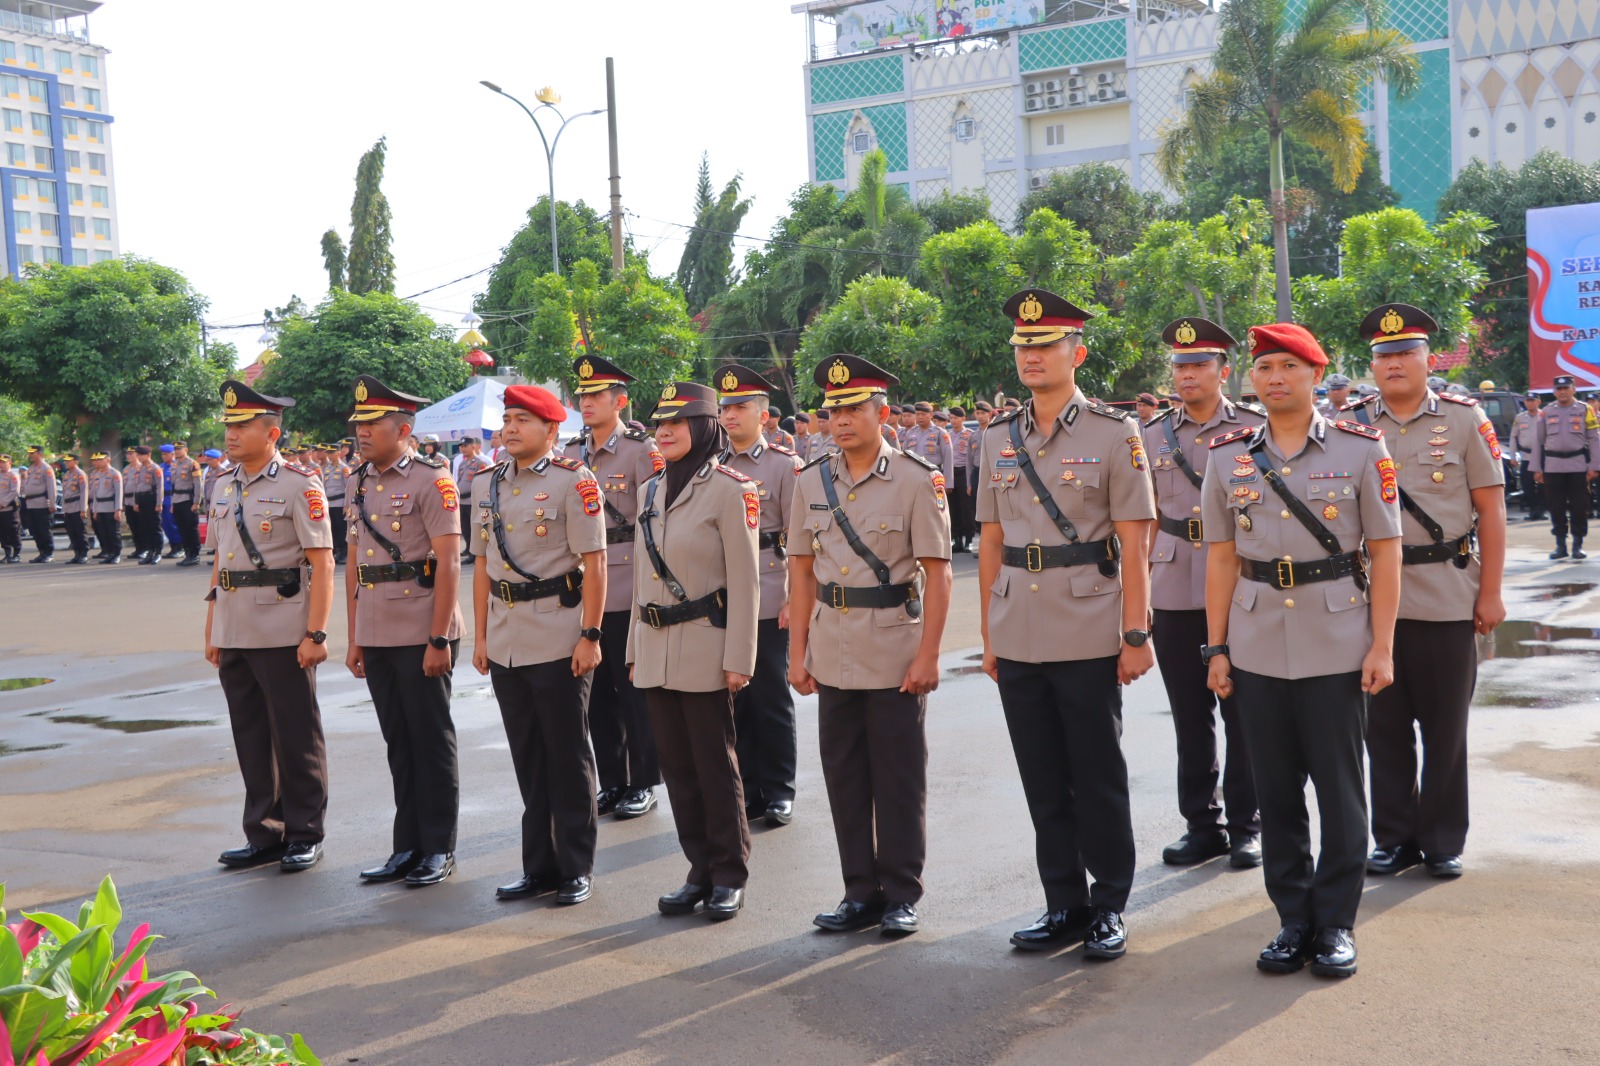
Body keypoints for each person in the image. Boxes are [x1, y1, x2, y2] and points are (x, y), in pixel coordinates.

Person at [1202, 321, 1402, 979]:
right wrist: (1218, 647)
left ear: (1317, 375)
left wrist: (1382, 645)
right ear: (1250, 380)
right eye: (1264, 369)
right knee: (1276, 793)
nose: (1276, 378)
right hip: (1257, 645)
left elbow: (1385, 550)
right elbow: (1222, 557)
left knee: (1341, 792)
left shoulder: (1360, 449)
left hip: (1338, 642)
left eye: (1289, 366)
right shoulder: (1226, 456)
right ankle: (1293, 918)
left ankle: (1337, 922)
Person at [975, 290, 1156, 960]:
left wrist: (1135, 633)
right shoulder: (997, 435)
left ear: (1076, 352)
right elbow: (990, 540)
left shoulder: (1114, 434)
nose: (1030, 355)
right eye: (1023, 345)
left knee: (1095, 771)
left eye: (1045, 345)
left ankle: (1108, 903)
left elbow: (1135, 541)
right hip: (1017, 624)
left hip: (1087, 621)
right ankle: (1063, 904)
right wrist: (989, 636)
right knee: (1042, 776)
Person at [788, 354, 952, 937]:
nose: (841, 420)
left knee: (899, 778)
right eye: (833, 410)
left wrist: (930, 654)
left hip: (894, 650)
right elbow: (802, 573)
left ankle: (902, 892)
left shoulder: (915, 478)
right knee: (846, 778)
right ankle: (859, 891)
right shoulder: (810, 480)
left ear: (882, 413)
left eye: (854, 408)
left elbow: (939, 572)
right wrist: (796, 653)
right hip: (831, 649)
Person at [1341, 304, 1506, 880]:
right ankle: (1394, 838)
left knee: (1445, 729)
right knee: (1382, 731)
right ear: (1372, 363)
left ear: (1427, 359)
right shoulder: (1354, 423)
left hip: (1446, 592)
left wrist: (1491, 592)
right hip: (1370, 603)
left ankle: (1440, 840)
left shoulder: (1463, 419)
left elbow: (1491, 510)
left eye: (1405, 352)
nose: (1394, 363)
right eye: (1384, 355)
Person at [470, 385, 607, 906]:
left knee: (567, 756)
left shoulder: (575, 481)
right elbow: (482, 565)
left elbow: (594, 564)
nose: (508, 428)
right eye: (506, 419)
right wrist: (481, 636)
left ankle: (576, 867)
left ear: (551, 431)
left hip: (558, 633)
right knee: (528, 756)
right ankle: (539, 867)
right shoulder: (486, 483)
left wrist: (590, 634)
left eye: (522, 420)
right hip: (506, 636)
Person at [629, 381, 760, 921]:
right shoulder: (649, 491)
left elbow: (747, 582)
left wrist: (740, 658)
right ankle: (697, 869)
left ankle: (729, 872)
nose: (663, 433)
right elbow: (641, 578)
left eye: (676, 424)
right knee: (678, 768)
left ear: (703, 427)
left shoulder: (732, 488)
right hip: (656, 645)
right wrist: (635, 647)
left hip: (707, 643)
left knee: (714, 763)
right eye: (659, 424)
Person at [1142, 318, 1264, 870]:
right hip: (1170, 585)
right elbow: (1141, 519)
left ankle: (1246, 826)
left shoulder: (1252, 428)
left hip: (1237, 584)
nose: (1188, 374)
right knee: (1189, 717)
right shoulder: (1150, 434)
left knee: (1242, 713)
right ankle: (1201, 825)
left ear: (1223, 371)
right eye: (1180, 366)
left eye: (1199, 365)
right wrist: (1139, 590)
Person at [205, 379, 335, 873]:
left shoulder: (300, 485)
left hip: (283, 628)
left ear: (272, 432)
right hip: (234, 626)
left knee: (296, 735)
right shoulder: (222, 484)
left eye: (242, 426)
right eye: (229, 426)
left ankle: (305, 832)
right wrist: (212, 628)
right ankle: (264, 832)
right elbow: (220, 562)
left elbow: (322, 564)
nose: (232, 434)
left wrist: (316, 632)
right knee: (251, 734)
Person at [345, 376, 465, 887]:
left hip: (421, 628)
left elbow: (450, 561)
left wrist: (439, 638)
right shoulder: (359, 481)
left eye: (372, 424)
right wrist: (353, 636)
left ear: (404, 428)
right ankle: (406, 847)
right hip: (376, 628)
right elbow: (352, 561)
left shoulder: (432, 479)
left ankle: (437, 847)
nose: (362, 433)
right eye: (359, 425)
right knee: (399, 743)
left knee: (430, 741)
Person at [567, 354, 666, 820]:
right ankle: (614, 780)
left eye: (595, 395)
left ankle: (644, 780)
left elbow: (656, 523)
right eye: (582, 395)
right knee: (597, 694)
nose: (585, 402)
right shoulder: (570, 453)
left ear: (620, 401)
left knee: (634, 691)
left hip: (628, 579)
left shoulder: (641, 451)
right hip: (585, 586)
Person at [714, 364, 803, 827]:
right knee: (734, 699)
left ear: (764, 415)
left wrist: (792, 597)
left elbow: (800, 537)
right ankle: (746, 789)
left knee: (769, 695)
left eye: (740, 407)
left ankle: (780, 788)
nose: (730, 415)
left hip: (769, 590)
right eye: (725, 407)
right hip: (722, 594)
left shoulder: (783, 465)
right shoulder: (710, 463)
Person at [1530, 375, 1599, 559]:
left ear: (1573, 389)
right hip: (1553, 467)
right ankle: (1560, 545)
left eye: (1566, 388)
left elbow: (1594, 439)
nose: (1562, 392)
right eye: (1559, 389)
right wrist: (1537, 468)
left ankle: (1578, 544)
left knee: (1579, 506)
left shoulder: (1586, 410)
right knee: (1556, 506)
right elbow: (1538, 441)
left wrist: (1595, 466)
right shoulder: (1546, 411)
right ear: (1554, 391)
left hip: (1578, 465)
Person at [454, 437, 492, 565]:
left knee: (474, 528)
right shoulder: (462, 464)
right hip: (462, 501)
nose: (463, 448)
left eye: (466, 446)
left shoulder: (480, 463)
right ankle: (469, 549)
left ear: (474, 447)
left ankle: (474, 553)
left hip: (472, 501)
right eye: (461, 446)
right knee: (464, 528)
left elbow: (484, 483)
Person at [1511, 393, 1547, 521]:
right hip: (1526, 456)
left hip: (1542, 456)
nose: (1530, 403)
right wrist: (1513, 455)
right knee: (1527, 485)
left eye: (1533, 400)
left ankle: (1541, 510)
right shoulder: (1520, 418)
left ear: (1539, 402)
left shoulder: (1544, 416)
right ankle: (1533, 510)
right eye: (1528, 400)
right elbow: (1513, 437)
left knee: (1543, 485)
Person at [169, 441, 204, 565]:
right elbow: (173, 485)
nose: (177, 451)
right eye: (175, 449)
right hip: (177, 500)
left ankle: (195, 554)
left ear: (186, 450)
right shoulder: (174, 465)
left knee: (191, 528)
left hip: (188, 500)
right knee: (182, 528)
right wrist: (173, 503)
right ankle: (188, 553)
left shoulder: (192, 464)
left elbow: (198, 483)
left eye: (180, 449)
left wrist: (196, 502)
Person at [19, 445, 56, 562]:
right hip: (30, 503)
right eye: (29, 453)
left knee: (43, 529)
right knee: (34, 530)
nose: (30, 455)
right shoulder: (31, 468)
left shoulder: (46, 468)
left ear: (40, 454)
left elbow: (51, 487)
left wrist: (52, 503)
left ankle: (48, 553)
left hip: (41, 503)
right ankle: (41, 552)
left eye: (32, 453)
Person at [946, 406, 975, 553]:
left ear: (963, 419)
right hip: (951, 473)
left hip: (964, 472)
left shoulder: (970, 434)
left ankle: (969, 540)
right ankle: (956, 539)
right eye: (951, 418)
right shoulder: (947, 435)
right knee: (952, 508)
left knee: (966, 508)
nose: (953, 420)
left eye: (956, 418)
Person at [126, 445, 162, 565]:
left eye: (141, 455)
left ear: (148, 455)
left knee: (154, 528)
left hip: (151, 499)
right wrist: (136, 502)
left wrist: (159, 503)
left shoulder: (154, 468)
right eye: (138, 455)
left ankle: (157, 553)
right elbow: (137, 486)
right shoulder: (140, 468)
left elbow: (159, 487)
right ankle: (150, 552)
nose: (139, 457)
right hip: (141, 499)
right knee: (145, 527)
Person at [88, 452, 124, 564]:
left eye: (101, 459)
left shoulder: (114, 473)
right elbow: (95, 495)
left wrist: (118, 509)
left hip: (110, 507)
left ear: (108, 459)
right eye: (97, 459)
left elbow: (119, 493)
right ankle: (109, 553)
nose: (98, 461)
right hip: (100, 507)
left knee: (113, 532)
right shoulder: (98, 474)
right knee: (104, 532)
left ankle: (116, 554)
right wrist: (95, 510)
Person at [56, 453, 91, 564]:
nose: (66, 463)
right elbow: (65, 493)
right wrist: (64, 509)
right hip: (68, 507)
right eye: (65, 461)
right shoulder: (66, 475)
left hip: (77, 506)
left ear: (75, 461)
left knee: (80, 532)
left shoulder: (80, 474)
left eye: (68, 461)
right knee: (72, 532)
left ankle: (84, 554)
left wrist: (83, 509)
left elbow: (84, 492)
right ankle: (77, 554)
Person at [320, 444, 350, 564]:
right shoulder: (326, 469)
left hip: (340, 502)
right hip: (329, 503)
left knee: (341, 529)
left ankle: (345, 552)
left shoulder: (344, 468)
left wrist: (346, 504)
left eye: (332, 452)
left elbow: (348, 487)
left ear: (338, 453)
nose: (330, 455)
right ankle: (337, 551)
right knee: (332, 530)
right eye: (328, 453)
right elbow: (323, 486)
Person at [0, 453, 20, 563]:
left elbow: (14, 492)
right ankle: (7, 554)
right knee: (2, 533)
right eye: (0, 462)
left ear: (10, 463)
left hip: (9, 509)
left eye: (4, 462)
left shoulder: (13, 475)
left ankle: (17, 553)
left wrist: (2, 503)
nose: (1, 464)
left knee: (13, 531)